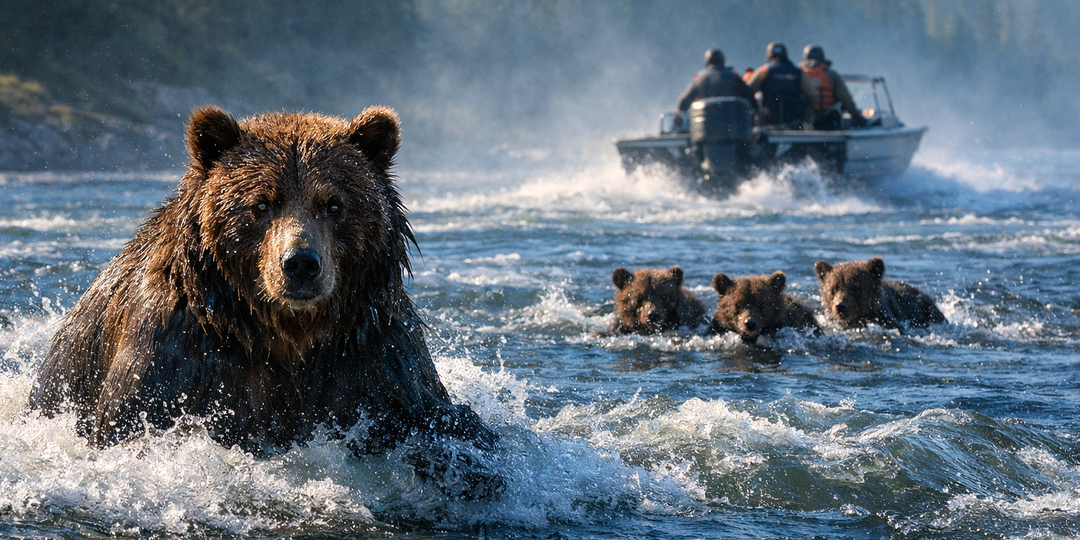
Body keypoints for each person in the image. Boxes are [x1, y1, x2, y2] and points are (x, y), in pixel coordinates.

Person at [674, 48, 756, 129]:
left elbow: (684, 101)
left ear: (707, 62)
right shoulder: (733, 75)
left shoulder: (699, 78)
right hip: (733, 128)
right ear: (723, 61)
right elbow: (749, 94)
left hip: (705, 129)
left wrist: (677, 119)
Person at [745, 42, 816, 129]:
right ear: (786, 55)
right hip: (794, 121)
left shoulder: (764, 70)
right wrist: (807, 117)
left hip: (769, 121)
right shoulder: (798, 72)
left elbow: (747, 90)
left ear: (769, 55)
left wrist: (755, 108)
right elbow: (812, 95)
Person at [799, 45, 865, 130]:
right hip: (826, 119)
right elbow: (845, 98)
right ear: (822, 58)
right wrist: (856, 115)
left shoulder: (798, 75)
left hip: (804, 120)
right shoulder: (831, 74)